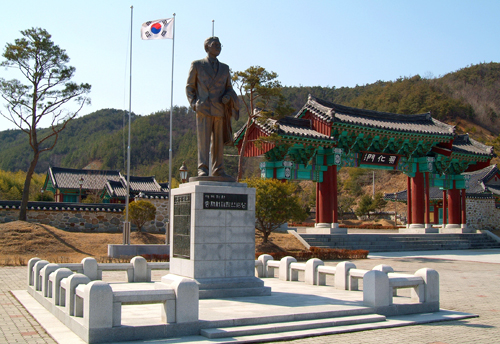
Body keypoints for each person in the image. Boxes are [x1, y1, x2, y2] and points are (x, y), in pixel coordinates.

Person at [186, 36, 239, 178]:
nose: (218, 46)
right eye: (215, 44)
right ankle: (202, 168)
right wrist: (194, 104)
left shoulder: (225, 68)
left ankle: (218, 169)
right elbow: (190, 87)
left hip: (219, 108)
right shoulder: (197, 65)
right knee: (203, 141)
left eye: (220, 44)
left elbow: (229, 87)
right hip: (203, 108)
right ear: (207, 47)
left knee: (218, 143)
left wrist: (228, 96)